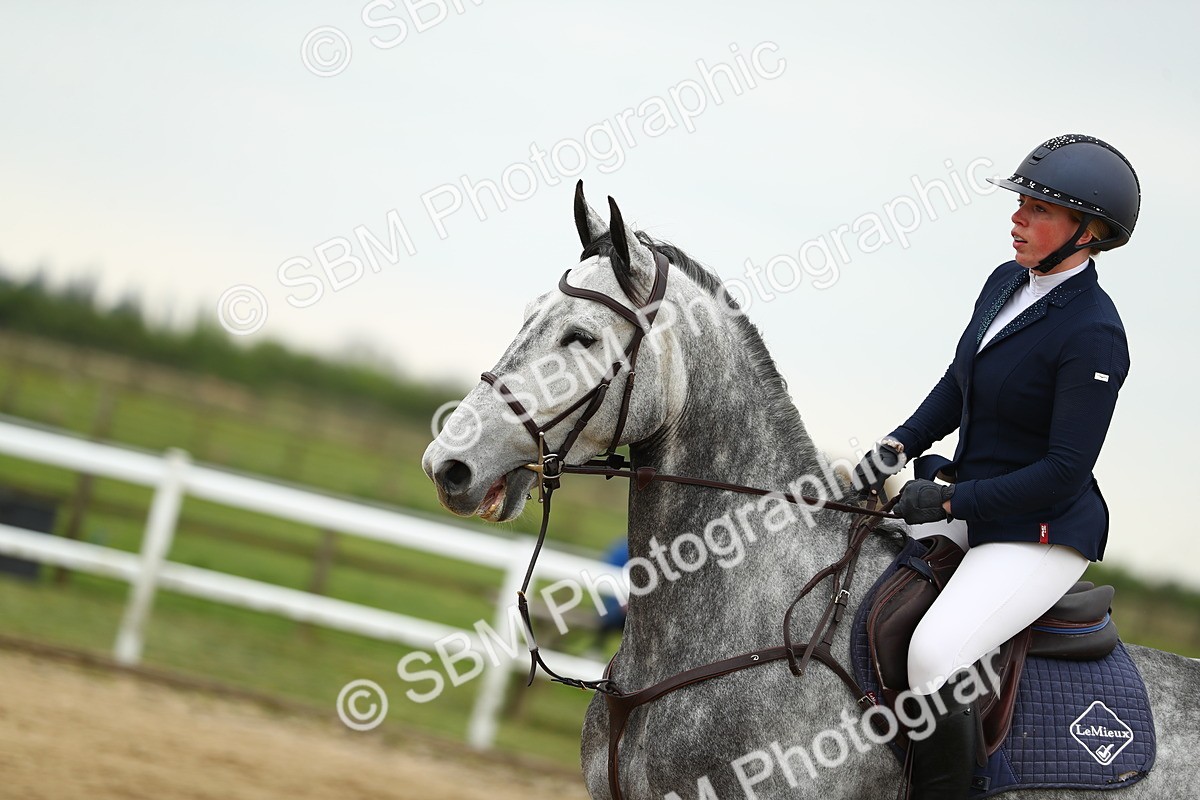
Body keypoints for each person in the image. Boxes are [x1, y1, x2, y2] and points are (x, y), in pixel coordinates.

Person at [852, 133, 1140, 799]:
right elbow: (958, 387)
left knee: (933, 655)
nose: (1018, 217)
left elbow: (1064, 470)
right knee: (854, 577)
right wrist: (892, 449)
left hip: (1039, 531)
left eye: (1039, 209)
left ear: (1088, 232)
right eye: (1022, 202)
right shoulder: (1006, 282)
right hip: (976, 501)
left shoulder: (1094, 331)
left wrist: (950, 505)